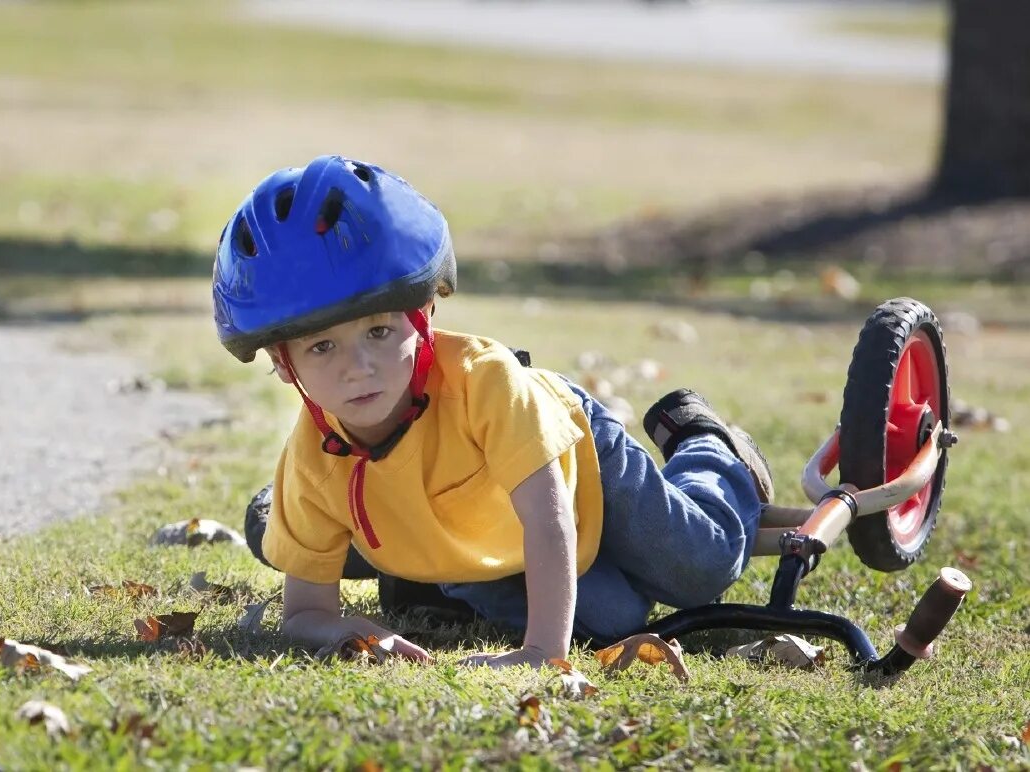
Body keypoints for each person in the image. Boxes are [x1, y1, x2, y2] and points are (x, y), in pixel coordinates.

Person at [213, 155, 772, 669]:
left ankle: (704, 443)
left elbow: (549, 520)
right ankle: (422, 579)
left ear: (424, 315)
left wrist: (543, 652)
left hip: (575, 460)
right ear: (285, 366)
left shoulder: (489, 386)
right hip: (464, 533)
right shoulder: (314, 460)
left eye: (379, 331)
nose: (358, 368)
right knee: (612, 619)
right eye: (321, 347)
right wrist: (353, 631)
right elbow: (303, 614)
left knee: (701, 568)